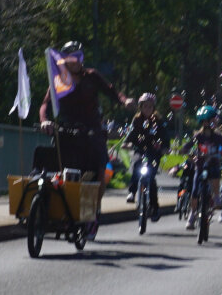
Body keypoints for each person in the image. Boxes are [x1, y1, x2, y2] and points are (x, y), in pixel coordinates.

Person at [38, 41, 135, 239]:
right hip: (66, 130)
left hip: (93, 130)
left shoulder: (91, 76)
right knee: (56, 169)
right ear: (64, 60)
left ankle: (92, 215)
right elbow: (45, 105)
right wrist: (45, 121)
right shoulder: (59, 79)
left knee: (99, 170)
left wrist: (125, 101)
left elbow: (112, 91)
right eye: (71, 58)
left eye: (79, 57)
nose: (75, 62)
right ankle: (53, 209)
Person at [180, 105, 222, 231]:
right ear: (203, 122)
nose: (211, 123)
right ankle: (192, 214)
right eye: (208, 121)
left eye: (212, 121)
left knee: (216, 174)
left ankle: (216, 197)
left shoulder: (218, 137)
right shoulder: (198, 137)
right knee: (194, 190)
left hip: (213, 165)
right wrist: (184, 150)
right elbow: (188, 146)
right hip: (200, 166)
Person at [124, 93, 167, 221]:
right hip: (140, 151)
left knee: (151, 178)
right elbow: (131, 134)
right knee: (136, 166)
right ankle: (132, 192)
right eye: (145, 106)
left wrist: (165, 147)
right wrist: (127, 143)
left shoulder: (159, 121)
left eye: (150, 107)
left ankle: (155, 207)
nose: (147, 109)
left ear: (154, 108)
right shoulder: (136, 120)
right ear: (140, 107)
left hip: (154, 153)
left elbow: (165, 137)